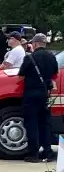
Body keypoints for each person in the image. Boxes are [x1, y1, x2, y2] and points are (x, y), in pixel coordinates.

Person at [20, 33, 59, 163]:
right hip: (45, 94)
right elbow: (54, 75)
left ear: (35, 44)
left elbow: (20, 77)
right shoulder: (52, 57)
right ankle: (47, 151)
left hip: (31, 94)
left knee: (31, 123)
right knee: (44, 123)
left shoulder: (30, 58)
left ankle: (33, 153)